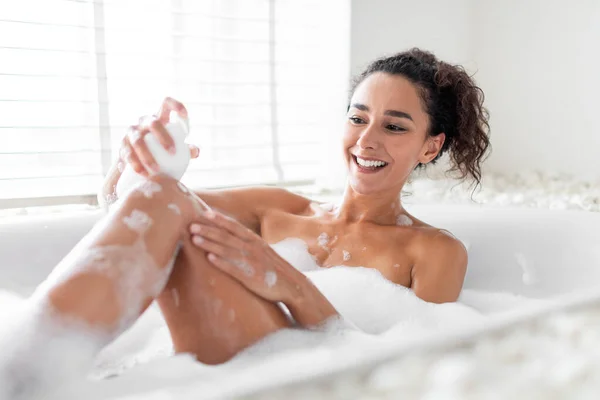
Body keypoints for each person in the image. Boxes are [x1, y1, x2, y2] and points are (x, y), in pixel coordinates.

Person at [1, 48, 490, 398]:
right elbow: (136, 206)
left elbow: (413, 374)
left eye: (394, 126)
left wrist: (289, 284)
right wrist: (146, 155)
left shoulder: (434, 251)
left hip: (303, 378)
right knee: (166, 195)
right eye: (357, 117)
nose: (366, 139)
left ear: (430, 146)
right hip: (204, 369)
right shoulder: (277, 208)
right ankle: (26, 370)